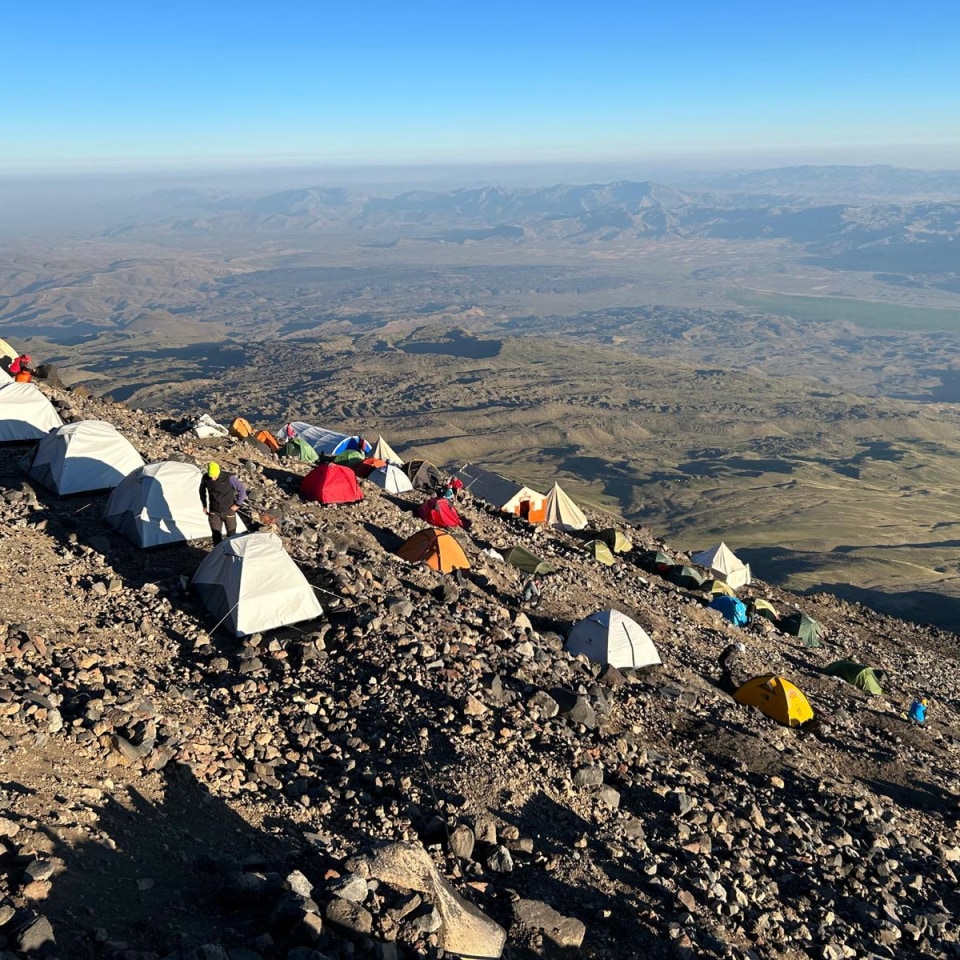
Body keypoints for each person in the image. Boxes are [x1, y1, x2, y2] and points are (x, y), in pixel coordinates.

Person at [198, 461, 247, 545]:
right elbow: (201, 491)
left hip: (229, 511)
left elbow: (242, 489)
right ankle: (218, 552)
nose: (213, 478)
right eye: (211, 476)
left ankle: (231, 552)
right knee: (216, 536)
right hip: (214, 512)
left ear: (219, 472)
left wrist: (238, 504)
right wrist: (204, 506)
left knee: (231, 536)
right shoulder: (205, 477)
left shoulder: (229, 478)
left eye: (214, 476)